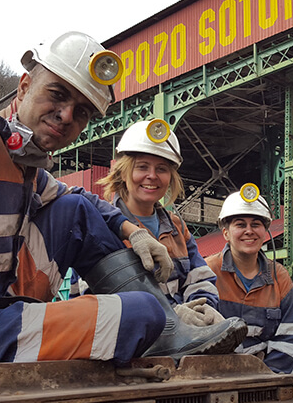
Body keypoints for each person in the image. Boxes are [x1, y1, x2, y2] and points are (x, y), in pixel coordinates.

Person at [0, 31, 245, 365]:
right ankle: (161, 329)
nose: (67, 115)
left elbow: (79, 199)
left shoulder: (24, 168)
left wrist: (134, 231)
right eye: (56, 95)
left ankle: (165, 328)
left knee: (75, 209)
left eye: (83, 111)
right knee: (140, 314)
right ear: (25, 85)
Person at [96, 119, 236, 330]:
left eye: (161, 169)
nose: (152, 176)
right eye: (142, 167)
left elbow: (200, 279)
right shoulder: (103, 225)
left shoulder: (178, 228)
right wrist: (170, 314)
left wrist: (201, 307)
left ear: (171, 178)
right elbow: (99, 298)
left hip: (178, 337)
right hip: (126, 338)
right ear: (123, 173)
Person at [206, 189, 293, 374]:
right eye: (240, 224)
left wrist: (269, 380)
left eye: (256, 224)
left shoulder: (279, 277)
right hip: (215, 377)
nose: (249, 231)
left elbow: (287, 337)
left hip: (265, 378)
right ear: (225, 233)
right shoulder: (208, 272)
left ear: (265, 232)